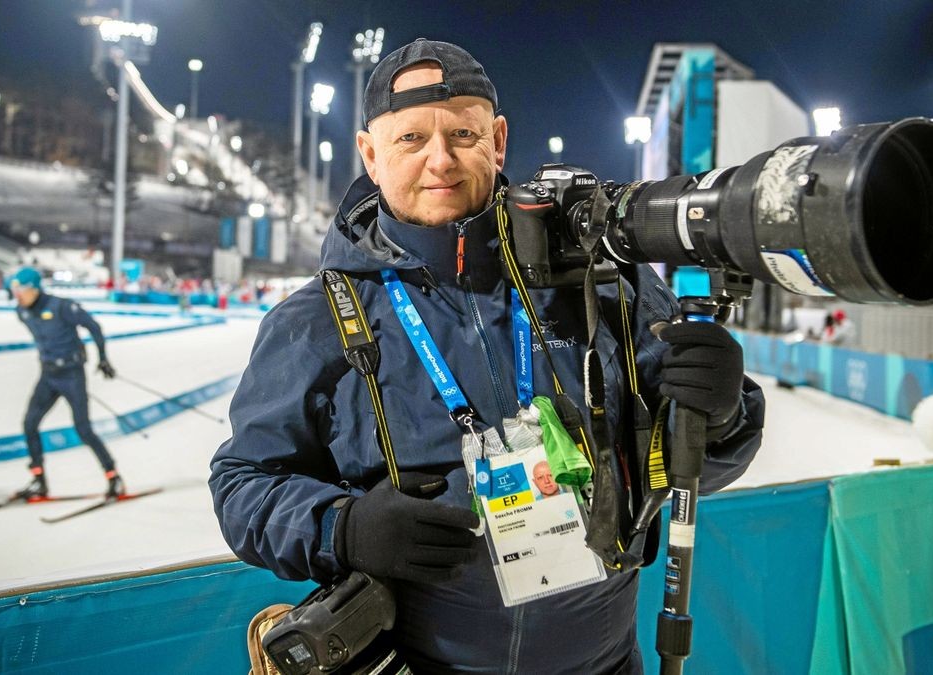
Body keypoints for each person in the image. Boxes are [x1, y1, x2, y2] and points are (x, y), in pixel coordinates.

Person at [210, 39, 764, 674]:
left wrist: (719, 415)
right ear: (370, 154)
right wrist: (344, 528)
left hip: (604, 664)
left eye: (463, 134)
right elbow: (242, 485)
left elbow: (688, 466)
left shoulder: (602, 282)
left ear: (498, 140)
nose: (440, 160)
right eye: (410, 139)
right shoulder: (317, 318)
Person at [9, 266, 124, 500]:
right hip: (49, 375)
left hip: (72, 376)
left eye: (21, 289)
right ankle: (38, 479)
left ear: (34, 288)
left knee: (83, 429)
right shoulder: (22, 312)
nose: (17, 295)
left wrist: (103, 358)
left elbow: (93, 326)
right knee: (30, 424)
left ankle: (113, 476)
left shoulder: (61, 306)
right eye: (14, 290)